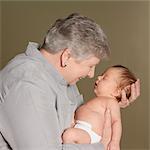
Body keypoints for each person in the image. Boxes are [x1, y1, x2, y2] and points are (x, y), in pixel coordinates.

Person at [0, 13, 140, 150]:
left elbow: (80, 121)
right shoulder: (27, 85)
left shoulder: (59, 78)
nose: (91, 74)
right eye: (90, 66)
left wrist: (109, 104)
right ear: (66, 56)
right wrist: (100, 146)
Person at [62, 65, 137, 150]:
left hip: (90, 133)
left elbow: (116, 122)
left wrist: (114, 142)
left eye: (105, 78)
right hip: (81, 128)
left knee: (69, 135)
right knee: (68, 136)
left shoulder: (112, 102)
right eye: (102, 75)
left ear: (117, 91)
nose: (99, 77)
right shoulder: (99, 100)